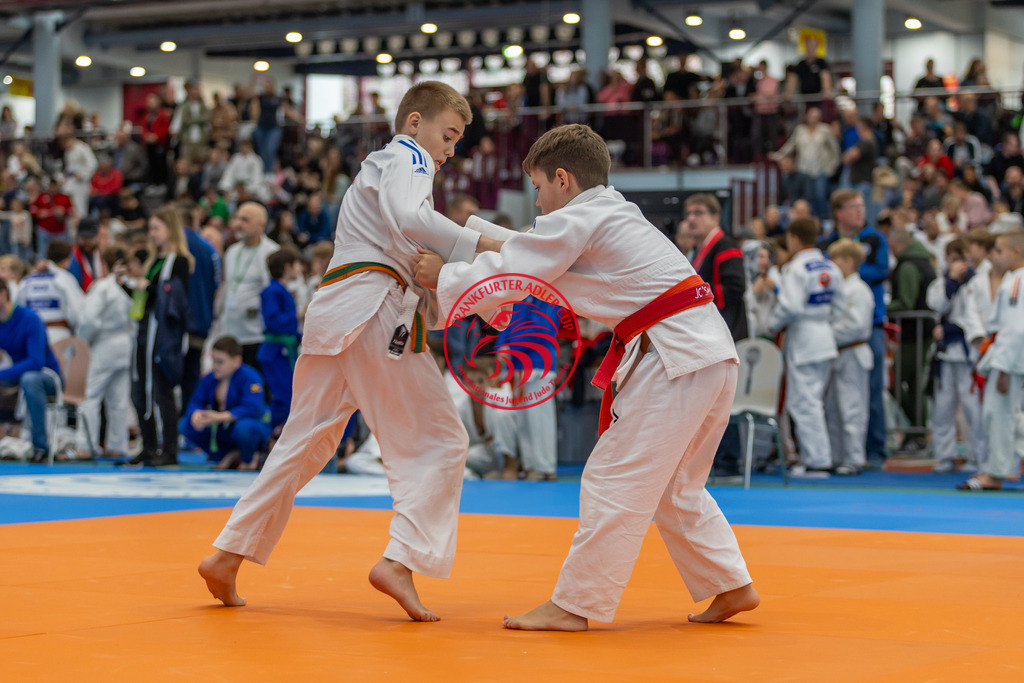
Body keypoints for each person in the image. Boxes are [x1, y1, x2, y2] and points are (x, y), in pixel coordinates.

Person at [414, 123, 758, 631]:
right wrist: (464, 238)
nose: (536, 201)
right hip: (707, 353)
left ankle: (576, 605)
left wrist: (443, 276)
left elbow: (521, 270)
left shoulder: (584, 217)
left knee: (614, 477)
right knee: (676, 488)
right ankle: (731, 584)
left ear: (561, 178)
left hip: (675, 357)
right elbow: (530, 251)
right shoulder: (609, 212)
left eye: (537, 188)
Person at [198, 81, 503, 618]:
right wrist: (488, 244)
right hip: (374, 311)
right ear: (414, 122)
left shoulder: (382, 170)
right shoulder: (406, 157)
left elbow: (411, 242)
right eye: (447, 135)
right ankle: (401, 561)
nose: (450, 150)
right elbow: (413, 224)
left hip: (336, 311)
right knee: (442, 441)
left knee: (304, 443)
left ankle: (228, 551)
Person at [818, 190, 890, 465]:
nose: (861, 211)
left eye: (862, 206)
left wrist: (842, 273)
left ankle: (873, 451)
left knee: (868, 395)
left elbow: (881, 270)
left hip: (868, 328)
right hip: (834, 336)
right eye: (854, 207)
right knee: (834, 402)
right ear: (839, 211)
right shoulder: (827, 243)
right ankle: (840, 455)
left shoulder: (874, 239)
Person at [769, 218, 844, 475]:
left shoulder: (796, 267)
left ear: (793, 239)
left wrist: (771, 323)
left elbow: (790, 306)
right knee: (815, 402)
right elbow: (841, 306)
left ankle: (817, 461)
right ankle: (818, 456)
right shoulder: (830, 266)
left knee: (803, 403)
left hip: (803, 338)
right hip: (825, 336)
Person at [685, 192, 747, 479]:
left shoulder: (724, 245)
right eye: (689, 214)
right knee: (712, 400)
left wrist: (698, 303)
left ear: (714, 217)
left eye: (698, 213)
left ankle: (729, 460)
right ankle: (719, 459)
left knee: (724, 400)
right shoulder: (702, 250)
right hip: (712, 335)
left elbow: (735, 288)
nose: (691, 219)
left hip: (727, 332)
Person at [124, 208, 193, 467]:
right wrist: (128, 286)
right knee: (140, 388)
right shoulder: (154, 261)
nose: (152, 235)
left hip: (163, 334)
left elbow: (175, 298)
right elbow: (148, 297)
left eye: (156, 229)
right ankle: (149, 445)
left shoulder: (180, 261)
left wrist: (149, 287)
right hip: (145, 329)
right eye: (151, 229)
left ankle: (169, 449)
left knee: (161, 390)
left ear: (170, 230)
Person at [960, 231, 1024, 490]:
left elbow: (1016, 329)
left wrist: (1004, 368)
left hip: (1008, 359)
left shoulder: (1016, 283)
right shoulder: (1013, 280)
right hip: (1007, 354)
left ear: (1015, 252)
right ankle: (995, 470)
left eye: (998, 251)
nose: (994, 256)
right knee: (1013, 419)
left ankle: (995, 474)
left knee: (997, 415)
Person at [926, 239, 985, 473]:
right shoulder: (941, 283)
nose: (957, 263)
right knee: (942, 407)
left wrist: (952, 329)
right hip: (944, 354)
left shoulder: (977, 283)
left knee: (972, 408)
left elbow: (975, 317)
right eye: (952, 258)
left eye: (961, 258)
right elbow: (937, 305)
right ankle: (945, 455)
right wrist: (950, 280)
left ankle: (976, 456)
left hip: (967, 353)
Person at [75, 245, 135, 459]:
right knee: (119, 399)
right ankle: (117, 446)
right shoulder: (132, 286)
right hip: (126, 343)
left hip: (104, 342)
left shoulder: (102, 287)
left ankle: (86, 445)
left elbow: (89, 319)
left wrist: (84, 341)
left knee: (91, 395)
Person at [181, 335, 270, 471]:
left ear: (236, 361)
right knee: (186, 424)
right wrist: (196, 414)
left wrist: (220, 417)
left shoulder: (251, 377)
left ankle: (249, 457)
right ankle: (227, 455)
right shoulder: (210, 379)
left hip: (252, 427)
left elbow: (252, 408)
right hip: (225, 430)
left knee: (244, 428)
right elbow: (196, 401)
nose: (215, 366)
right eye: (213, 361)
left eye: (220, 362)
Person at [824, 239, 874, 475]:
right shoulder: (840, 288)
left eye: (836, 260)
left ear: (849, 261)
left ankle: (854, 458)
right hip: (835, 352)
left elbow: (855, 326)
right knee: (833, 408)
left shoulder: (858, 289)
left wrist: (825, 335)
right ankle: (836, 456)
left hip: (852, 351)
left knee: (852, 407)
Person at [0, 279, 63, 463]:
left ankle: (41, 448)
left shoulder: (30, 318)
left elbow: (36, 362)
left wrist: (2, 375)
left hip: (48, 377)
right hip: (19, 375)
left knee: (30, 378)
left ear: (3, 294)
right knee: (25, 377)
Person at [887, 226, 937, 449]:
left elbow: (906, 301)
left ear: (896, 245)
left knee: (894, 381)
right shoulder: (924, 260)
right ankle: (918, 431)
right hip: (923, 330)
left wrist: (884, 308)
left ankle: (917, 427)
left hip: (912, 332)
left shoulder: (908, 265)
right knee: (915, 384)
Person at [219, 202, 279, 368]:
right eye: (237, 218)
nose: (238, 223)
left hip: (256, 334)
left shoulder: (271, 252)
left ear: (260, 224)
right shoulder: (231, 252)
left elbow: (273, 293)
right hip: (231, 330)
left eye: (245, 220)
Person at [257, 247, 301, 432]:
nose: (300, 268)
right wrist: (299, 315)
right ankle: (261, 433)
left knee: (290, 398)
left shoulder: (282, 290)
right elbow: (274, 321)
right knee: (285, 398)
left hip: (284, 350)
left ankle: (270, 435)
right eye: (297, 264)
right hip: (275, 352)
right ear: (287, 267)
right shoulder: (272, 291)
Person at [16, 240, 84, 344]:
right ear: (67, 261)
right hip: (59, 337)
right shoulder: (64, 278)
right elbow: (78, 312)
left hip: (31, 337)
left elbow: (17, 309)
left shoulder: (27, 280)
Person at [67, 218, 104, 292]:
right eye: (84, 238)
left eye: (90, 238)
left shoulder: (102, 256)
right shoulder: (70, 259)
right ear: (77, 237)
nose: (87, 242)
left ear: (97, 237)